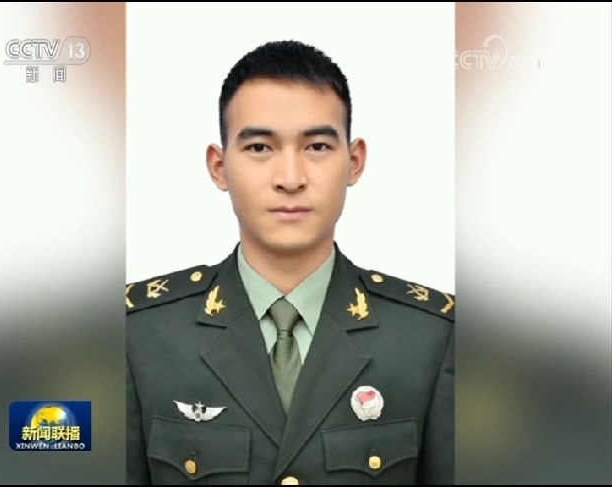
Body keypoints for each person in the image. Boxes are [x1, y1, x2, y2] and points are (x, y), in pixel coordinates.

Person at [126, 39, 454, 486]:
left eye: (316, 146)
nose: (290, 179)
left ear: (354, 162)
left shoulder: (430, 338)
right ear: (219, 167)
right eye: (260, 148)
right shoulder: (140, 335)